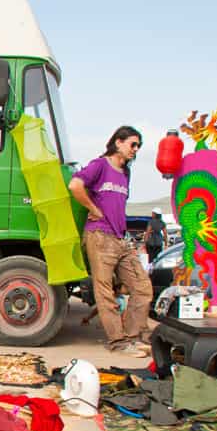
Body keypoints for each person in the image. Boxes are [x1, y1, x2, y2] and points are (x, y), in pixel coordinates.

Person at [69, 126, 154, 358]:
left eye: (138, 147)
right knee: (105, 291)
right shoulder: (100, 165)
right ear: (118, 142)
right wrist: (93, 208)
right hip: (99, 236)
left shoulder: (125, 173)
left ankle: (132, 337)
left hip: (120, 238)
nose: (135, 150)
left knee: (143, 289)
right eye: (133, 144)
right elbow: (75, 185)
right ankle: (118, 342)